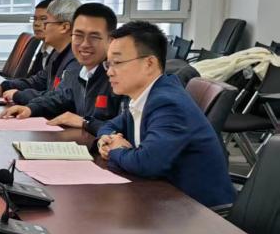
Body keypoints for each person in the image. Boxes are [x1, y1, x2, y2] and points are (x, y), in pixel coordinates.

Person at [96, 21, 236, 208]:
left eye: (118, 63)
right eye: (108, 64)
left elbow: (147, 163)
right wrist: (106, 139)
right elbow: (109, 125)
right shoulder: (145, 96)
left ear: (149, 63)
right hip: (166, 200)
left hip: (200, 212)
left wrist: (114, 151)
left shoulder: (167, 103)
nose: (110, 72)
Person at [0, 3, 123, 135]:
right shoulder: (77, 70)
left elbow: (125, 131)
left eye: (94, 37)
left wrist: (85, 122)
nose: (84, 44)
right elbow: (60, 98)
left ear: (111, 40)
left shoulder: (119, 77)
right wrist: (31, 109)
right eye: (78, 35)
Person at [0, 0, 81, 104]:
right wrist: (4, 87)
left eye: (46, 23)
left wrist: (19, 95)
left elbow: (61, 98)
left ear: (64, 27)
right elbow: (38, 81)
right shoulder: (56, 54)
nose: (42, 27)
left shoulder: (77, 58)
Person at [27, 0, 55, 77]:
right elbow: (32, 78)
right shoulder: (44, 45)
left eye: (43, 19)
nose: (36, 24)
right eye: (35, 19)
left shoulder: (61, 53)